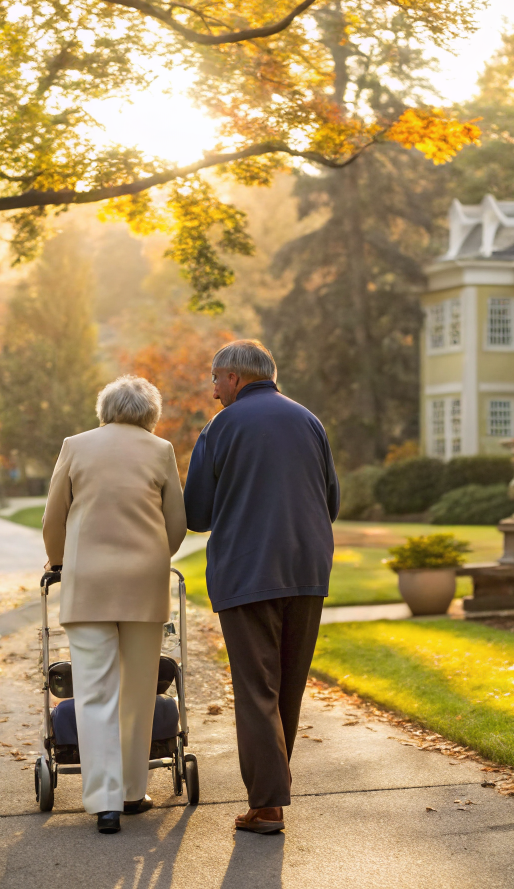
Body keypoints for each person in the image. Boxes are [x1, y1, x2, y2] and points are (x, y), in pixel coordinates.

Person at [183, 339, 339, 835]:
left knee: (256, 689)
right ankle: (269, 797)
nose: (213, 392)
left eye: (215, 380)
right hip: (307, 568)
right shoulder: (309, 421)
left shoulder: (222, 426)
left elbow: (197, 514)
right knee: (288, 685)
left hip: (247, 570)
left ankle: (268, 805)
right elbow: (331, 501)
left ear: (233, 377)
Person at [41, 375, 187, 835]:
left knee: (94, 692)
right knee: (139, 693)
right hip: (144, 586)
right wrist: (155, 555)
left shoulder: (75, 446)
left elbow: (53, 517)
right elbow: (176, 524)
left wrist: (59, 561)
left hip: (88, 587)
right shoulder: (161, 451)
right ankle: (131, 792)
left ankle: (105, 803)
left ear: (105, 410)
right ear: (151, 414)